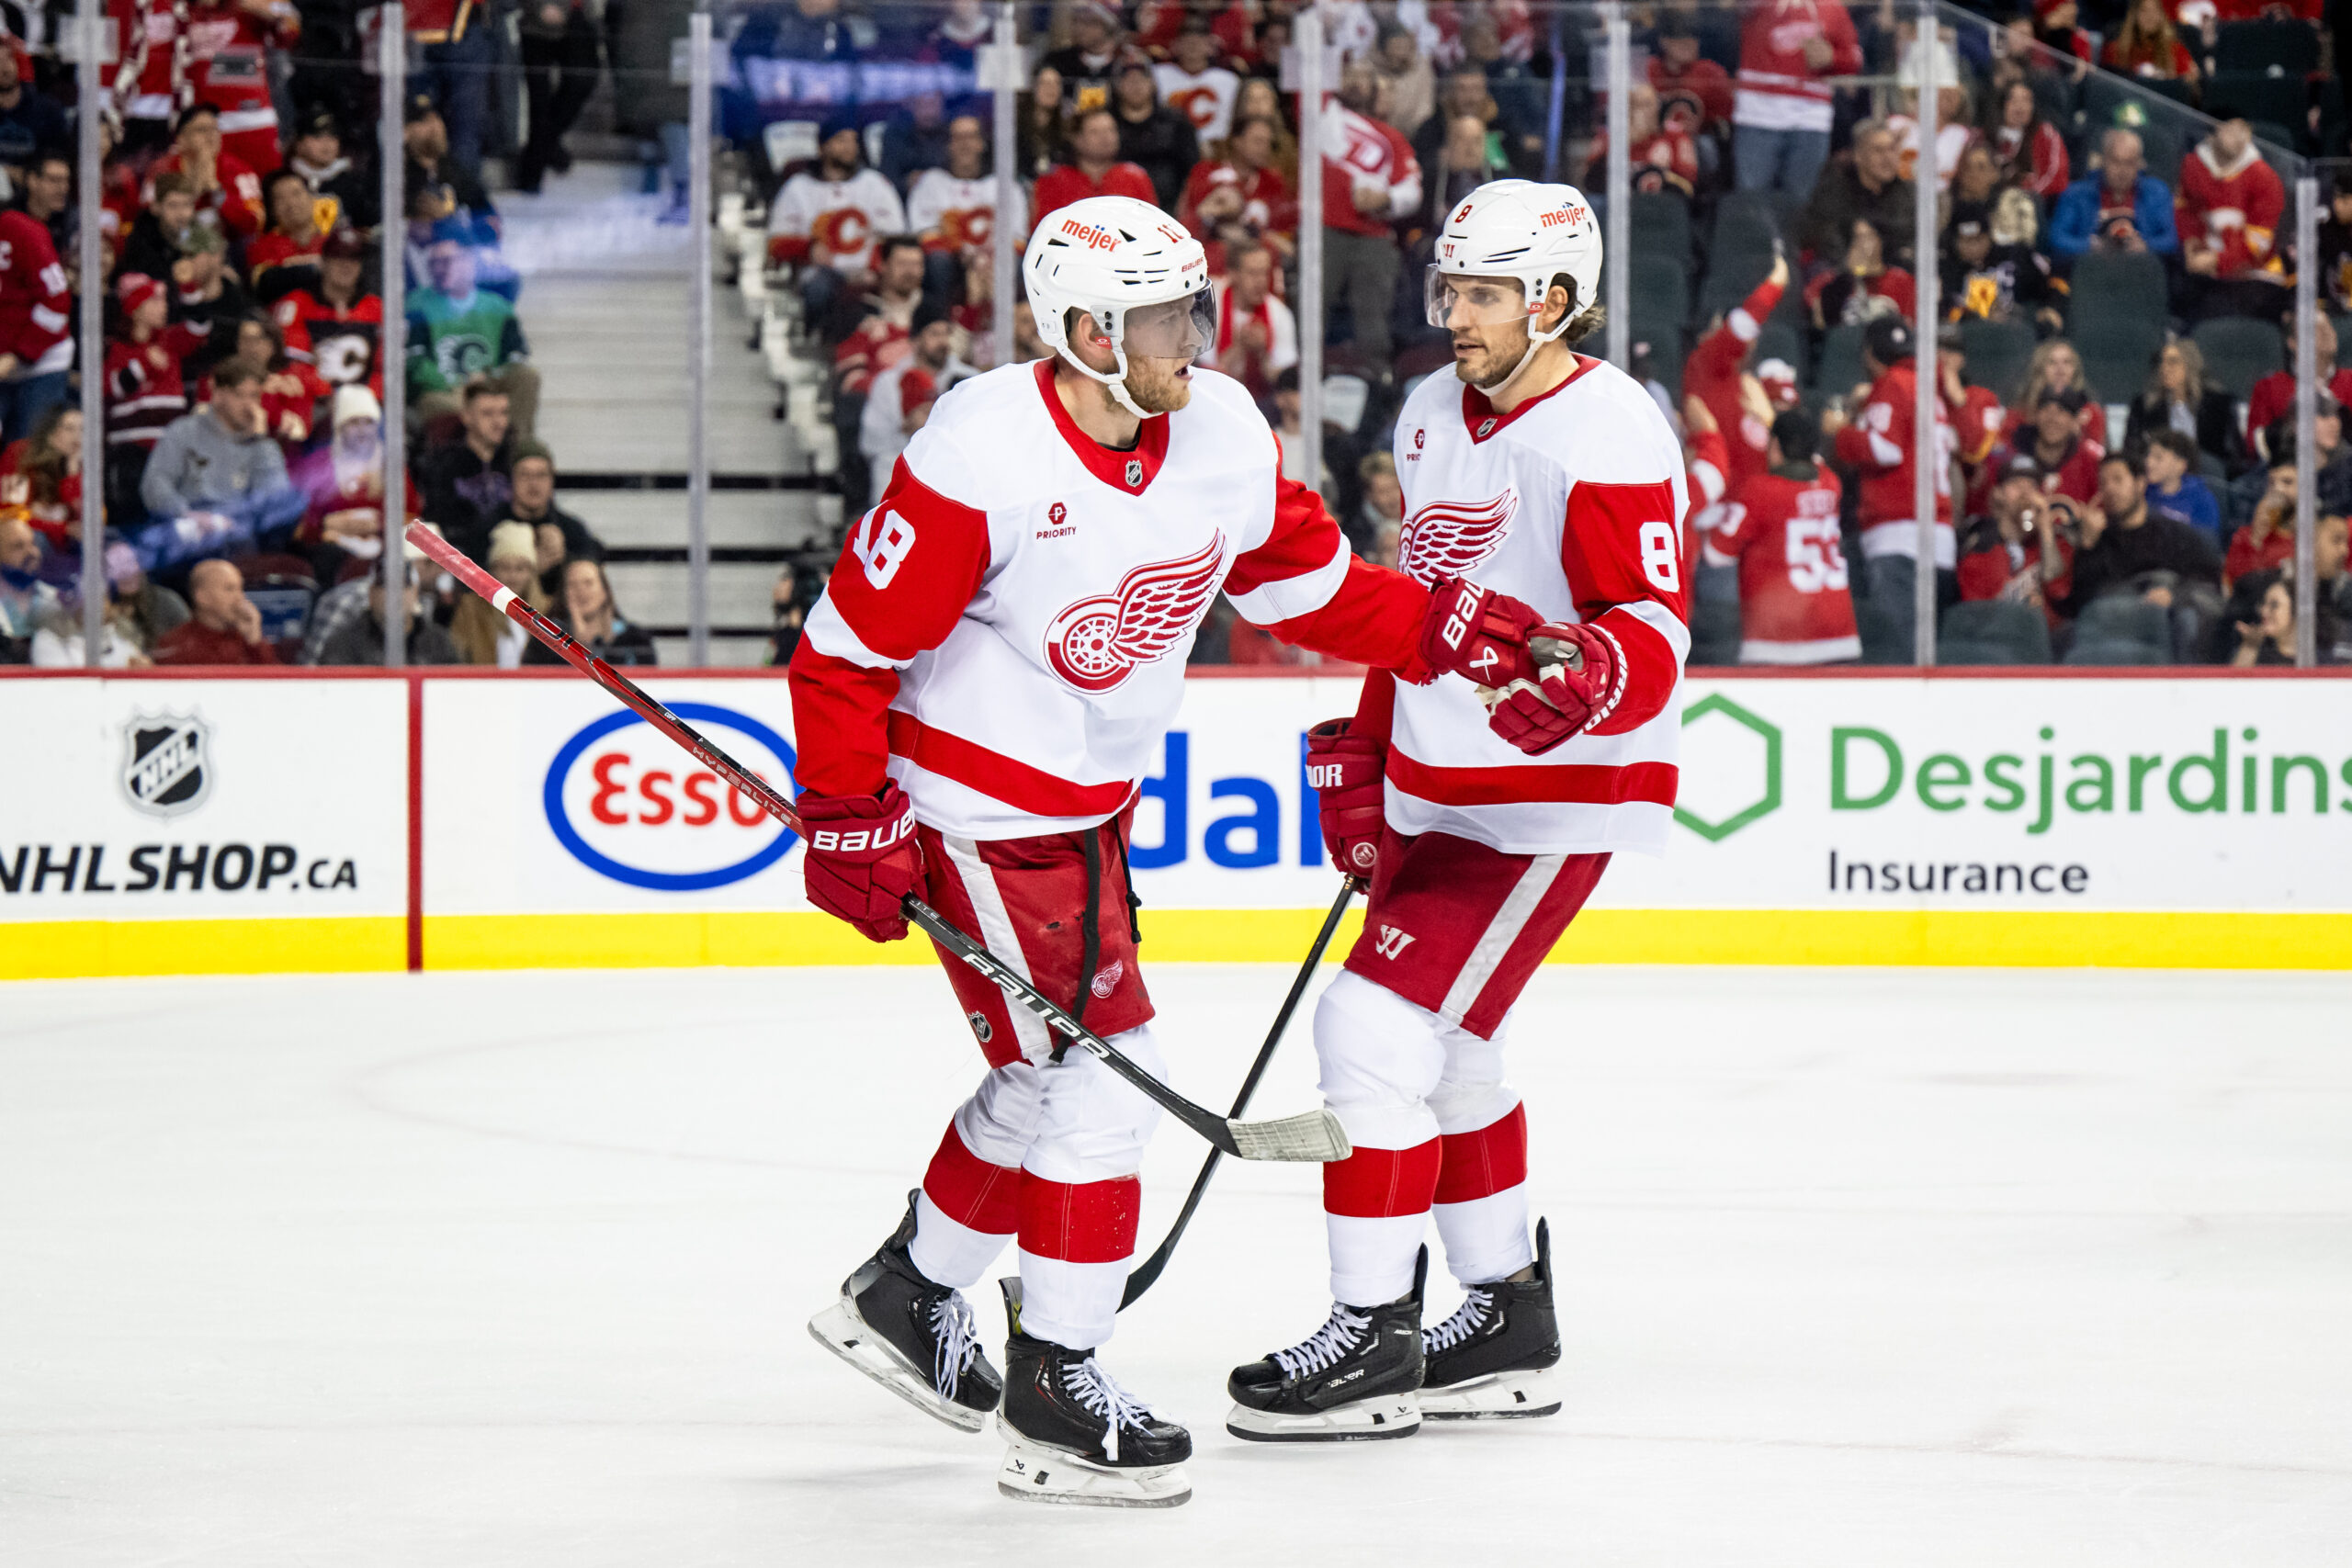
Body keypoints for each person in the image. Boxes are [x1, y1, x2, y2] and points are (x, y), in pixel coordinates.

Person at [792, 195, 1529, 1506]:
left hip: (1085, 811)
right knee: (1108, 1078)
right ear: (1083, 332)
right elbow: (849, 647)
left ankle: (909, 1294)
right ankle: (1056, 1386)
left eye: (1195, 305)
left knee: (1044, 1070)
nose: (1195, 332)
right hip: (976, 809)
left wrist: (1448, 628)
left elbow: (1303, 585)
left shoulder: (1222, 430)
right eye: (1160, 316)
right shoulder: (984, 449)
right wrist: (851, 808)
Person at [1230, 178, 1690, 1441]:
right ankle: (1504, 1316)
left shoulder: (1610, 429)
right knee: (1456, 1050)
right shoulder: (1434, 408)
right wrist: (1374, 754)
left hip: (1552, 796)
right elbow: (1425, 602)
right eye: (1452, 290)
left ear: (1554, 300)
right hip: (1443, 783)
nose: (1458, 317)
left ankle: (1372, 1333)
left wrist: (1599, 677)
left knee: (1370, 1026)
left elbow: (1649, 622)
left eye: (1484, 295)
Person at [1828, 315, 1955, 651]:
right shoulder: (1927, 389)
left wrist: (1839, 433)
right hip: (1939, 536)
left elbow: (1886, 449)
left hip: (1900, 537)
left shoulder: (1892, 384)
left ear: (1869, 354)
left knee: (1897, 655)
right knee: (1928, 655)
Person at [1704, 408, 1857, 663]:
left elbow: (1716, 553)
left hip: (1778, 642)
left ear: (1775, 446)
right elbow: (1814, 463)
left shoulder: (1759, 491)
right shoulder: (1830, 483)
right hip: (1840, 637)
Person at [1317, 59, 1422, 370]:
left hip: (1373, 235)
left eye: (1364, 78)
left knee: (1373, 318)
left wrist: (1386, 198)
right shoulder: (1323, 119)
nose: (1357, 83)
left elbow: (1412, 190)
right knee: (1312, 309)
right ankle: (1301, 379)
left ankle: (1375, 379)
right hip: (1325, 231)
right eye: (1350, 76)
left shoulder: (1391, 137)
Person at [767, 118, 910, 331]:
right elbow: (775, 243)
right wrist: (808, 249)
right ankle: (814, 344)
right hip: (821, 272)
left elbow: (896, 237)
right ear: (822, 147)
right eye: (841, 140)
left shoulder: (875, 184)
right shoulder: (798, 188)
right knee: (819, 288)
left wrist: (875, 265)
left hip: (870, 271)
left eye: (853, 141)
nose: (849, 147)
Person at [2056, 451, 2222, 631]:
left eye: (2118, 480)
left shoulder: (2176, 535)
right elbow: (2081, 605)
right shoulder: (2098, 540)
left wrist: (2174, 596)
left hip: (2165, 624)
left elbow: (2207, 583)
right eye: (2103, 483)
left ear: (2140, 484)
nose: (2109, 489)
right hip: (2112, 628)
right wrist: (2087, 547)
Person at [1681, 251, 1790, 496]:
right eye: (1720, 331)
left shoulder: (1758, 383)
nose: (1727, 341)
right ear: (1704, 337)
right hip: (1719, 508)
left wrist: (1771, 419)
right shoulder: (1703, 363)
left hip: (1758, 505)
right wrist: (1776, 284)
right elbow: (1741, 328)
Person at [1733, 0, 1861, 198]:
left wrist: (1832, 58)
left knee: (1802, 205)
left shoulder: (1831, 7)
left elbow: (1854, 59)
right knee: (1752, 204)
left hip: (1810, 118)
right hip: (1758, 115)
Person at [408, 237, 537, 434]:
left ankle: (517, 454)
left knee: (527, 377)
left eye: (447, 261)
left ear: (469, 263)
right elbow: (414, 359)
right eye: (434, 263)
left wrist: (488, 380)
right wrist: (453, 384)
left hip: (489, 385)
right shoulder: (416, 305)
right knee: (435, 404)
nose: (439, 269)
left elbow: (516, 356)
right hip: (445, 390)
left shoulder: (498, 307)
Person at [140, 361, 297, 525]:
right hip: (189, 529)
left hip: (241, 535)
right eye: (239, 395)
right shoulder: (184, 431)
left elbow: (276, 501)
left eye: (254, 396)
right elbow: (155, 484)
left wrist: (260, 442)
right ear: (219, 394)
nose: (249, 405)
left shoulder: (262, 445)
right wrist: (185, 514)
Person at [289, 385, 420, 570]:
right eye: (354, 423)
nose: (362, 430)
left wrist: (378, 524)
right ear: (340, 427)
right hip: (334, 551)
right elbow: (302, 525)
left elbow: (411, 515)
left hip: (384, 547)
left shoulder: (391, 465)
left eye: (368, 422)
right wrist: (328, 526)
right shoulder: (320, 465)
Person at [859, 301, 973, 502]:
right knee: (885, 462)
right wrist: (910, 432)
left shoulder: (969, 380)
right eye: (934, 334)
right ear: (915, 340)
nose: (943, 341)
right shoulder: (888, 383)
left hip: (956, 472)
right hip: (902, 466)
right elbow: (871, 443)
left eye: (946, 333)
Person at [2178, 118, 2286, 318]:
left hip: (2256, 275)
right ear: (2213, 131)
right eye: (2231, 129)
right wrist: (2190, 244)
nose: (2239, 137)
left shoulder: (2264, 177)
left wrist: (2217, 261)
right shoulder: (2193, 165)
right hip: (2205, 272)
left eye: (2244, 130)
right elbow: (2186, 213)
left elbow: (2259, 243)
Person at [181, 0, 297, 174]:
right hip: (201, 121)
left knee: (263, 188)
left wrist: (262, 10)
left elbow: (290, 34)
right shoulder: (182, 8)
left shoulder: (253, 4)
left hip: (252, 118)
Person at [0, 189, 74, 449]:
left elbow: (57, 300)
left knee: (31, 453)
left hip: (43, 362)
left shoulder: (20, 231)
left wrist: (20, 354)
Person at [275, 227, 385, 398]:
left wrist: (365, 400)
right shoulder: (297, 305)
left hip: (367, 407)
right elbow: (295, 363)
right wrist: (330, 395)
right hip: (315, 403)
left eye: (353, 259)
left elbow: (385, 367)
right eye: (338, 257)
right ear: (323, 262)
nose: (346, 265)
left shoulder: (377, 308)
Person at [416, 377, 514, 563]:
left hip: (509, 556)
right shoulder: (443, 464)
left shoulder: (515, 461)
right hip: (460, 558)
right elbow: (439, 522)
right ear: (467, 416)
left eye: (503, 413)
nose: (499, 422)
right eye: (488, 414)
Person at [1801, 120, 1917, 270]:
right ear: (1858, 156)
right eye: (1878, 150)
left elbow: (1910, 237)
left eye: (1892, 149)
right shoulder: (1834, 190)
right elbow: (1828, 240)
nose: (1888, 158)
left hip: (1895, 272)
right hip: (1843, 271)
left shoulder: (1907, 192)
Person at [2050, 129, 2179, 261]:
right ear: (2103, 161)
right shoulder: (2077, 193)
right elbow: (2057, 238)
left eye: (2129, 163)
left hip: (2139, 271)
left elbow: (2171, 239)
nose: (2122, 171)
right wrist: (2093, 246)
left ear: (2139, 164)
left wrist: (2145, 246)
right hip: (2091, 270)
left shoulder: (2157, 192)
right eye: (2116, 162)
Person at [1177, 114, 1295, 256]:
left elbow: (1284, 235)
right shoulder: (1205, 173)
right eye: (1258, 141)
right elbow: (1185, 226)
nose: (1265, 148)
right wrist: (1207, 213)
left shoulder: (1274, 182)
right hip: (1210, 260)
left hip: (1259, 265)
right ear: (1237, 141)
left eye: (1268, 143)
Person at [516, 0, 603, 194]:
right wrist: (538, 7)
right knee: (539, 98)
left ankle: (540, 150)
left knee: (583, 79)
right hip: (537, 23)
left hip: (578, 15)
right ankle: (532, 173)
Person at [2126, 336, 2246, 470]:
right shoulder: (2145, 407)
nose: (2164, 368)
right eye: (2162, 362)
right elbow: (2133, 452)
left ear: (2190, 365)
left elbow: (2233, 455)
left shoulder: (2219, 405)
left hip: (2208, 477)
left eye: (2173, 362)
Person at [2245, 310, 2352, 456]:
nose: (2327, 333)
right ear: (2293, 342)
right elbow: (2255, 446)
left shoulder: (2350, 381)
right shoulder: (2269, 387)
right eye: (2315, 329)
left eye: (2328, 327)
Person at [1941, 199, 2060, 331]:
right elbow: (1944, 313)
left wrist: (2049, 308)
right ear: (1954, 241)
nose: (1973, 248)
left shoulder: (2016, 256)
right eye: (1966, 241)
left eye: (1978, 240)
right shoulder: (1945, 270)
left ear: (1990, 236)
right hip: (1967, 340)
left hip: (2020, 333)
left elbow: (2051, 284)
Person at [1032, 105, 1158, 227]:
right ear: (1077, 139)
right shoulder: (1053, 180)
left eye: (1111, 130)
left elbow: (1153, 226)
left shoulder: (1135, 177)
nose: (1106, 137)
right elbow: (1043, 228)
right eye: (1095, 132)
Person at [1200, 242, 1295, 399]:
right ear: (1233, 274)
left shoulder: (1280, 313)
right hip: (1214, 396)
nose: (1261, 281)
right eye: (1253, 273)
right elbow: (1204, 374)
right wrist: (1239, 347)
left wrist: (1262, 353)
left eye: (1264, 273)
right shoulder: (1208, 304)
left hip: (1262, 402)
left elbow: (1284, 384)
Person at [316, 561, 459, 665]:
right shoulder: (343, 643)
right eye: (384, 585)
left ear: (415, 593)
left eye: (403, 585)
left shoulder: (438, 641)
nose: (394, 594)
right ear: (371, 594)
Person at [525, 556, 655, 667]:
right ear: (564, 594)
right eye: (572, 584)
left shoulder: (637, 639)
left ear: (604, 590)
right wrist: (576, 646)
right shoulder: (544, 638)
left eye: (588, 583)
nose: (581, 591)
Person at [1111, 52, 1200, 213]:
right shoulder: (1106, 124)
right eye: (1128, 79)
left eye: (1141, 78)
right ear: (1116, 85)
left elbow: (1193, 173)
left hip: (1169, 211)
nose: (1136, 85)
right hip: (1116, 209)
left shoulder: (1177, 123)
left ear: (1153, 83)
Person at [450, 522, 547, 666]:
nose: (512, 576)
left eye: (520, 569)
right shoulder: (471, 609)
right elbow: (457, 654)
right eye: (505, 568)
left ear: (531, 573)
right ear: (492, 571)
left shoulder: (548, 611)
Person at [152, 558, 280, 664]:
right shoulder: (174, 645)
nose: (240, 597)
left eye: (240, 589)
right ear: (203, 597)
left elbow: (277, 687)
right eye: (229, 589)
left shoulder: (248, 640)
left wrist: (254, 640)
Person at [506, 438, 600, 582]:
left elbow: (593, 574)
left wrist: (564, 556)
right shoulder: (490, 529)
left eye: (541, 475)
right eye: (525, 475)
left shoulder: (572, 530)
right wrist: (529, 568)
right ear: (512, 479)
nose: (534, 483)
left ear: (551, 480)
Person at [1, 402, 84, 548]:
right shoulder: (20, 454)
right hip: (24, 538)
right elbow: (10, 514)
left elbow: (83, 519)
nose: (77, 437)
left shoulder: (78, 462)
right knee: (36, 540)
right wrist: (63, 529)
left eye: (83, 430)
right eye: (69, 429)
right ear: (50, 432)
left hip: (61, 543)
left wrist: (73, 472)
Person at [2005, 387, 2105, 503]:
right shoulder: (2009, 456)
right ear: (2035, 416)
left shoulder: (2090, 462)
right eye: (2046, 409)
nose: (2052, 419)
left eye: (2061, 411)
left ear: (2075, 421)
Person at [285, 110, 378, 232]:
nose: (327, 143)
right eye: (317, 136)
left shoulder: (353, 184)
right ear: (299, 143)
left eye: (333, 136)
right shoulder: (284, 181)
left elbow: (367, 227)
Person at [247, 168, 327, 303]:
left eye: (296, 194)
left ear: (312, 198)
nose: (291, 204)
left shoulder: (331, 242)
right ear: (272, 211)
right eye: (280, 199)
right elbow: (266, 284)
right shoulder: (261, 248)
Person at [1984, 79, 2069, 200]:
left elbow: (2057, 176)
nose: (2020, 106)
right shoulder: (1985, 136)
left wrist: (2027, 197)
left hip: (2031, 203)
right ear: (2002, 104)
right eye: (2013, 100)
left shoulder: (2046, 134)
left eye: (2026, 100)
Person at [0, 45, 67, 189]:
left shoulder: (47, 109)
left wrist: (25, 175)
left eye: (8, 59)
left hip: (35, 187)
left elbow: (57, 157)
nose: (4, 67)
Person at [2141, 428, 2222, 543]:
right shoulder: (2142, 494)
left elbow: (2208, 544)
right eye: (2148, 456)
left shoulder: (2202, 500)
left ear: (2181, 464)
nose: (2148, 462)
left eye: (2158, 458)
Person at [2102, 0, 2199, 80]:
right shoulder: (2116, 50)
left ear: (2163, 15)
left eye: (2156, 11)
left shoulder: (2175, 51)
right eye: (2144, 10)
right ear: (2134, 14)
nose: (2150, 16)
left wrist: (2190, 80)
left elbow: (2185, 84)